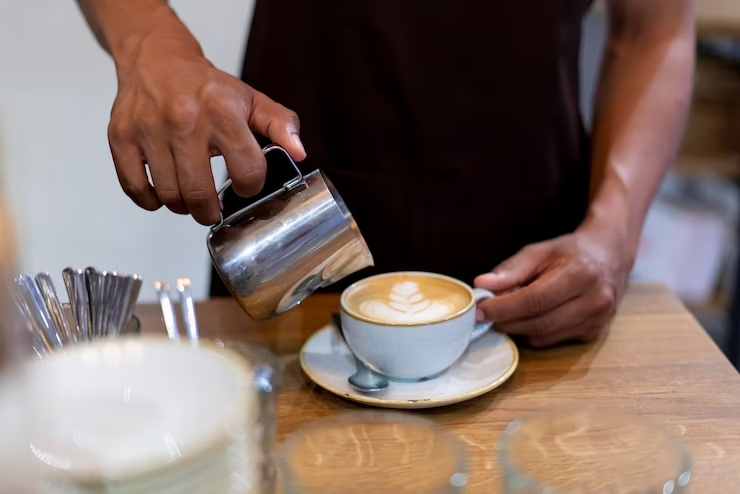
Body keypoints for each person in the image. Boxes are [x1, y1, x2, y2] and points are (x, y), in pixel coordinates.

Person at [76, 0, 695, 347]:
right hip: (291, 220)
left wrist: (614, 228)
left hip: (527, 247)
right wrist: (152, 44)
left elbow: (655, 29)